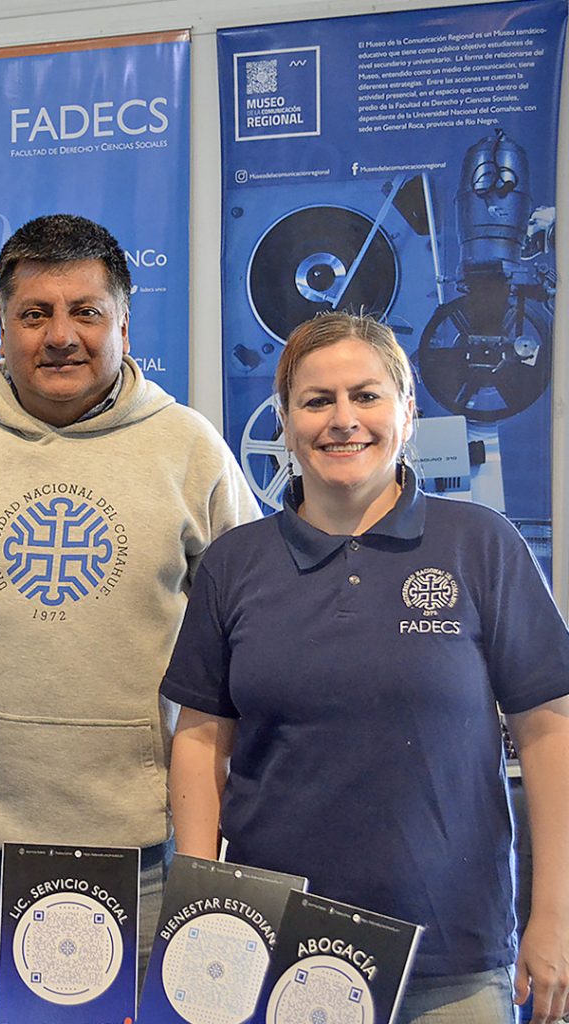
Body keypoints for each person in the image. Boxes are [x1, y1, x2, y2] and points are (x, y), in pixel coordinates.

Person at [0, 213, 260, 980]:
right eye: (35, 314)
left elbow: (247, 621)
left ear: (124, 320)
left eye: (86, 311)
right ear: (3, 325)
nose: (61, 335)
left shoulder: (190, 450)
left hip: (144, 846)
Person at [161, 311, 569, 1024]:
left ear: (408, 413)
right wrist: (202, 910)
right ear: (286, 421)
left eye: (367, 396)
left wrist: (555, 915)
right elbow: (199, 739)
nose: (343, 420)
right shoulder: (234, 564)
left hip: (452, 955)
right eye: (317, 401)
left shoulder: (482, 545)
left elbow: (548, 732)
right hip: (275, 950)